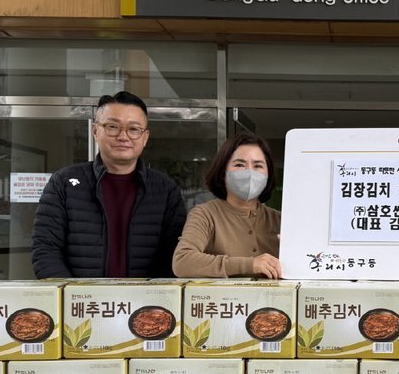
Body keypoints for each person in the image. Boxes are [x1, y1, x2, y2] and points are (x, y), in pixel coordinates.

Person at [31, 91, 187, 278]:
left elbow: (175, 255)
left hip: (146, 295)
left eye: (134, 129)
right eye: (113, 127)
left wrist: (155, 293)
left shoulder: (165, 190)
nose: (123, 136)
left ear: (145, 137)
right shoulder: (63, 183)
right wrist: (72, 293)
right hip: (81, 296)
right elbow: (46, 250)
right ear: (95, 131)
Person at [172, 132, 282, 278]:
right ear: (223, 172)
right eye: (239, 165)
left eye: (258, 165)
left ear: (268, 174)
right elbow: (182, 262)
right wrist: (249, 264)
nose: (250, 172)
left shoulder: (280, 220)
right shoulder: (205, 214)